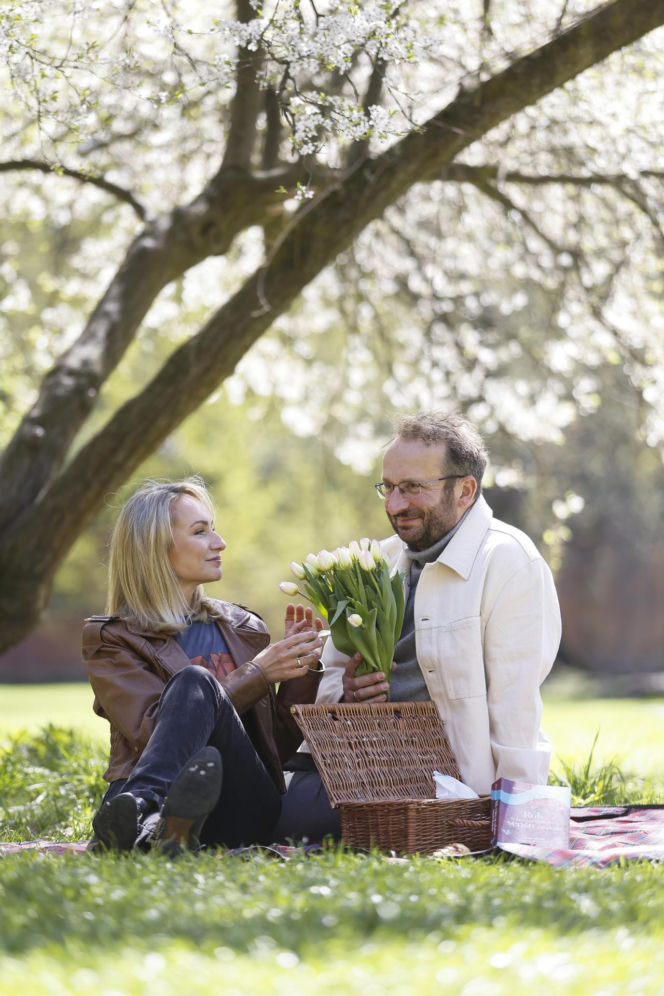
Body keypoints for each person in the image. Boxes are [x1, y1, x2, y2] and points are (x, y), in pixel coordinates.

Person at [277, 412, 561, 841]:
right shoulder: (374, 562)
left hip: (449, 788)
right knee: (279, 815)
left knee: (302, 825)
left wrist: (517, 825)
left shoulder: (508, 563)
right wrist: (350, 696)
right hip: (357, 767)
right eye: (388, 487)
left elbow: (515, 705)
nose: (394, 505)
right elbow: (331, 682)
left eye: (412, 488)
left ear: (465, 490)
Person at [83, 477, 325, 855]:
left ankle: (141, 814)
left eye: (214, 529)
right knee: (194, 683)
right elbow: (153, 735)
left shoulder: (244, 628)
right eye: (201, 532)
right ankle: (155, 830)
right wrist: (257, 674)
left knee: (195, 682)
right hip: (154, 782)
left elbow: (272, 748)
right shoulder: (113, 639)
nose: (220, 542)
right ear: (155, 548)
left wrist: (301, 670)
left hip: (241, 803)